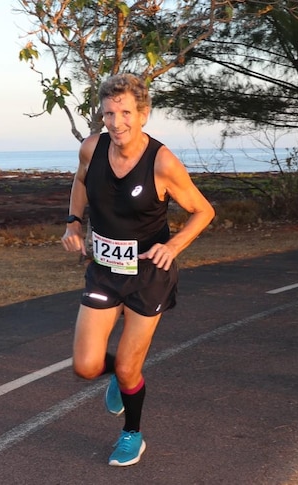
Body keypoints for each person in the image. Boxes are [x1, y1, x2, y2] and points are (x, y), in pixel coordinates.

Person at [61, 73, 215, 467]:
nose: (116, 123)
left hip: (148, 275)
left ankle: (132, 433)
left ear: (143, 114)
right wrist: (73, 222)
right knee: (85, 366)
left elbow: (203, 210)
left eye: (125, 112)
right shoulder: (92, 148)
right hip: (104, 270)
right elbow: (80, 182)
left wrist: (174, 245)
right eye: (109, 113)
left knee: (131, 368)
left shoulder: (161, 162)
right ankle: (118, 377)